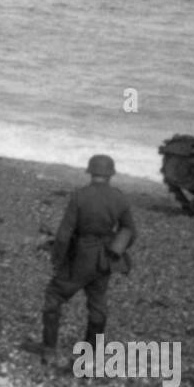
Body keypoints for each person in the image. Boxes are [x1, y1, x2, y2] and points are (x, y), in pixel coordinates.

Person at [34, 154, 137, 372]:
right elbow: (130, 230)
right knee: (98, 306)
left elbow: (64, 234)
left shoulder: (80, 196)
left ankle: (49, 350)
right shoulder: (119, 198)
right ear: (110, 174)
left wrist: (57, 259)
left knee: (54, 297)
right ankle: (90, 357)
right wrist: (116, 249)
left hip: (80, 258)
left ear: (91, 173)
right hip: (105, 260)